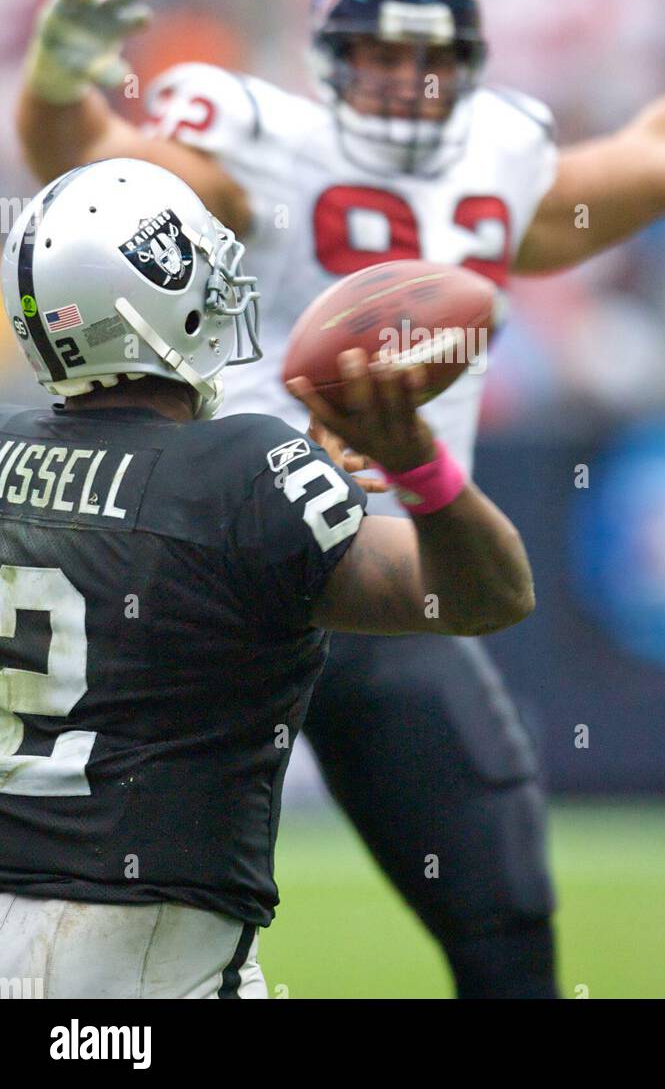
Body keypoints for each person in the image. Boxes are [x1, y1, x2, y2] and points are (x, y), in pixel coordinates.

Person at [16, 0, 665, 999]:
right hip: (220, 558)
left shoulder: (498, 164)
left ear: (469, 64)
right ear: (326, 54)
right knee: (116, 887)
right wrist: (58, 85)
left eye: (426, 57)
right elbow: (102, 178)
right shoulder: (262, 142)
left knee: (503, 909)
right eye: (374, 52)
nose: (401, 81)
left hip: (370, 563)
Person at [0, 157, 533, 999]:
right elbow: (491, 595)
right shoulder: (247, 469)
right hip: (145, 953)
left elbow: (144, 532)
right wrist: (418, 464)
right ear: (153, 299)